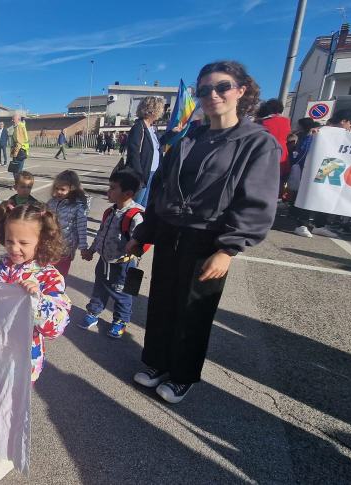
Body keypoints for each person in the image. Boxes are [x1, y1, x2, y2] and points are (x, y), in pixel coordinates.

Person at [127, 60, 280, 404]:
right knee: (163, 302)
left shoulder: (256, 142)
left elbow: (256, 201)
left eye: (222, 86)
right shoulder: (188, 137)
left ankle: (182, 374)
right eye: (205, 89)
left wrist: (228, 249)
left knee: (194, 311)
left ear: (241, 91)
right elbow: (161, 188)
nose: (213, 94)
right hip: (170, 231)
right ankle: (156, 363)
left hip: (208, 239)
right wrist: (145, 231)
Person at [0, 203, 71, 482]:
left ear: (42, 241)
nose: (14, 248)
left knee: (12, 405)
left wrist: (37, 300)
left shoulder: (49, 276)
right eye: (10, 239)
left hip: (22, 358)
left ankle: (8, 451)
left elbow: (56, 327)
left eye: (24, 242)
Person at [80, 170, 145, 338]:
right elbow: (101, 233)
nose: (107, 191)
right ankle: (93, 313)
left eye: (112, 188)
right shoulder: (109, 211)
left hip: (123, 264)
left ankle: (120, 321)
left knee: (122, 294)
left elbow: (142, 242)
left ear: (128, 194)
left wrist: (135, 248)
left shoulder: (136, 215)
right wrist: (92, 250)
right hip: (104, 261)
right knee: (99, 288)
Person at [46, 170, 89, 277]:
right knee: (45, 273)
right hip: (49, 245)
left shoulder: (78, 206)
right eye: (57, 188)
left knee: (59, 275)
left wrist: (83, 247)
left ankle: (58, 291)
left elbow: (82, 227)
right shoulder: (52, 202)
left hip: (65, 248)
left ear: (72, 189)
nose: (59, 192)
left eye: (63, 189)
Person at [125, 96, 165, 206]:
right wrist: (139, 176)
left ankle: (140, 223)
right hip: (142, 174)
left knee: (144, 206)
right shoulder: (139, 127)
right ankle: (131, 223)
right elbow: (133, 153)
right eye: (160, 109)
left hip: (152, 172)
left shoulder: (152, 128)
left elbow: (159, 145)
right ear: (152, 110)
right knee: (135, 205)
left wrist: (174, 133)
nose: (161, 112)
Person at [256, 98, 291, 184]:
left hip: (266, 151)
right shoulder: (286, 121)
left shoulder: (262, 122)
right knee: (278, 179)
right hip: (282, 151)